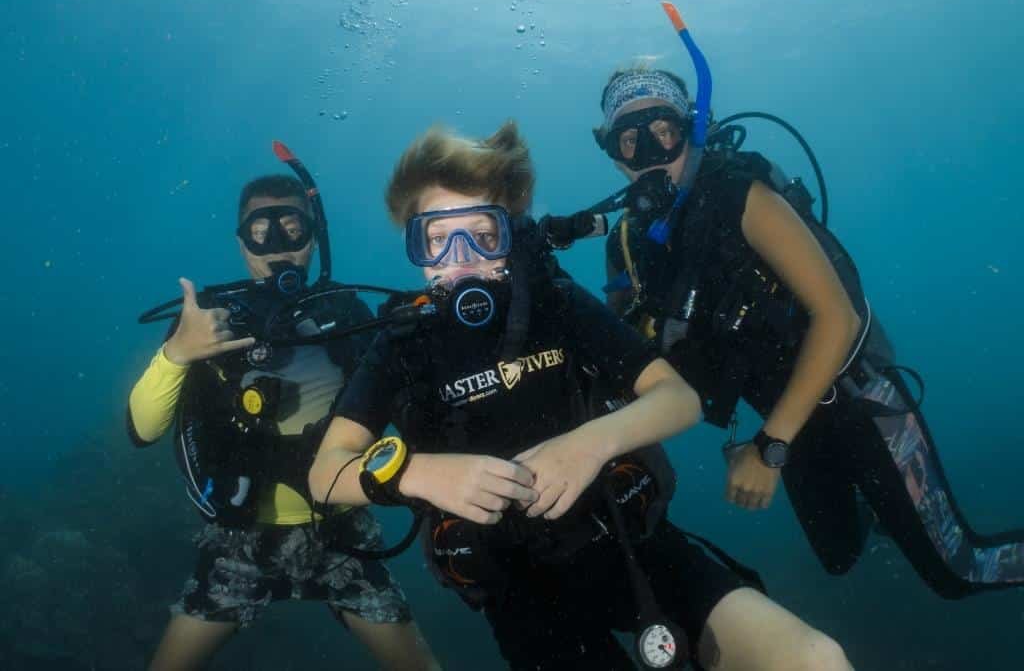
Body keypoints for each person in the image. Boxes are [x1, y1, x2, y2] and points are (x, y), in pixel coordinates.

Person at [308, 120, 852, 670]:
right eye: (438, 237)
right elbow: (324, 474)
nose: (463, 255)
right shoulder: (403, 343)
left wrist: (589, 443)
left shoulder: (556, 304)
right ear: (415, 246)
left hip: (626, 539)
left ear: (511, 234)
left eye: (483, 233)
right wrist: (420, 474)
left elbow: (679, 399)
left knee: (816, 659)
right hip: (519, 588)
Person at [593, 64, 1024, 599]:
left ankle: (897, 499)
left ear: (695, 129)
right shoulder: (629, 247)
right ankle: (888, 508)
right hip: (784, 422)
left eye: (665, 132)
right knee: (839, 556)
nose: (651, 155)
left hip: (855, 400)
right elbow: (629, 359)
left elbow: (838, 318)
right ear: (613, 154)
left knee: (960, 572)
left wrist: (770, 449)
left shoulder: (740, 195)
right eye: (631, 141)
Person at [127, 167, 439, 670]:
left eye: (292, 228)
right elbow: (141, 430)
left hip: (343, 531)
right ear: (240, 242)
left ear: (314, 236)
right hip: (239, 538)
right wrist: (179, 353)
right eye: (260, 230)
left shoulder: (346, 312)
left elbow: (405, 409)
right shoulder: (209, 319)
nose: (277, 243)